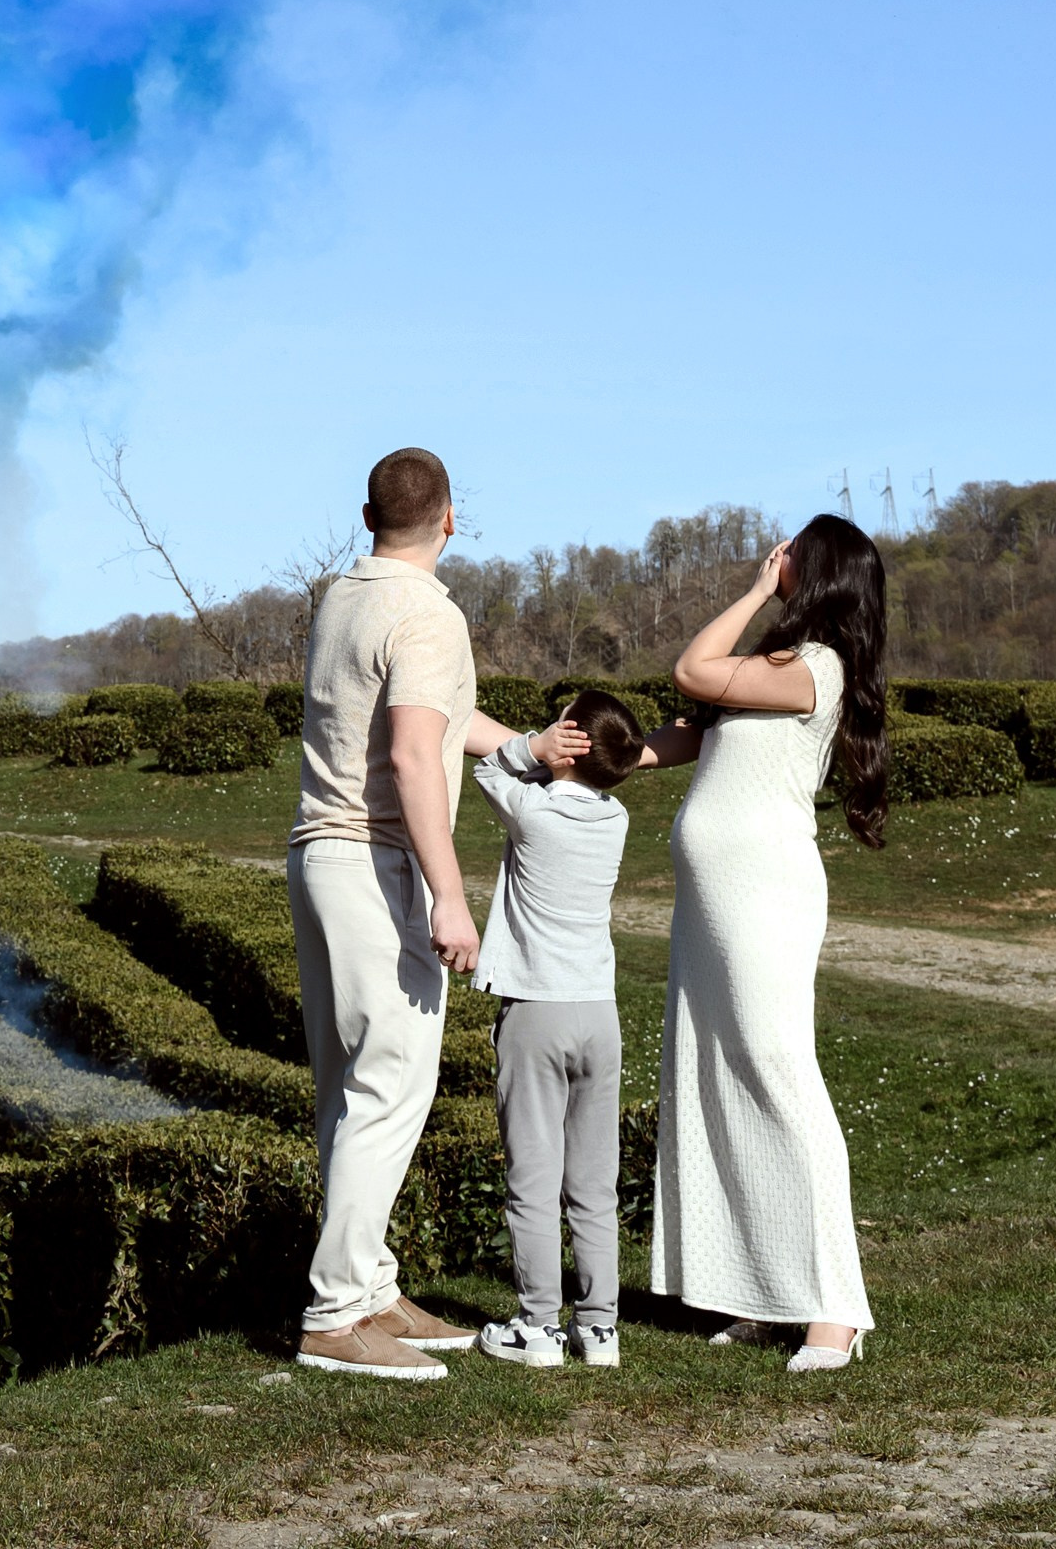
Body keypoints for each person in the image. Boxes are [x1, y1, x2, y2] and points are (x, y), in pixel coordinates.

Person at [638, 514, 889, 1370]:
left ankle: (833, 1309)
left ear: (813, 572)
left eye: (790, 554)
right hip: (714, 902)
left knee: (778, 1078)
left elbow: (691, 668)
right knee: (715, 1076)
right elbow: (689, 729)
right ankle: (758, 1290)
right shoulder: (777, 669)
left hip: (764, 897)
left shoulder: (815, 666)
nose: (775, 560)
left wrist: (750, 592)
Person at [289, 445, 485, 1382]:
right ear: (452, 519)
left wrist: (521, 745)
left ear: (368, 519)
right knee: (392, 1084)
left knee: (348, 1087)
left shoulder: (342, 598)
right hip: (379, 863)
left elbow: (424, 717)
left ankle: (369, 1289)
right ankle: (333, 1315)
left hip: (318, 859)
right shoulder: (429, 613)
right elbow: (413, 756)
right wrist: (449, 895)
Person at [466, 682, 651, 1371]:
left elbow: (488, 767)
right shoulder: (618, 819)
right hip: (599, 1016)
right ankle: (600, 1329)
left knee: (534, 1180)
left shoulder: (533, 810)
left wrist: (529, 747)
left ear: (570, 745)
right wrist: (559, 753)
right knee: (594, 1184)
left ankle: (537, 1327)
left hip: (535, 1014)